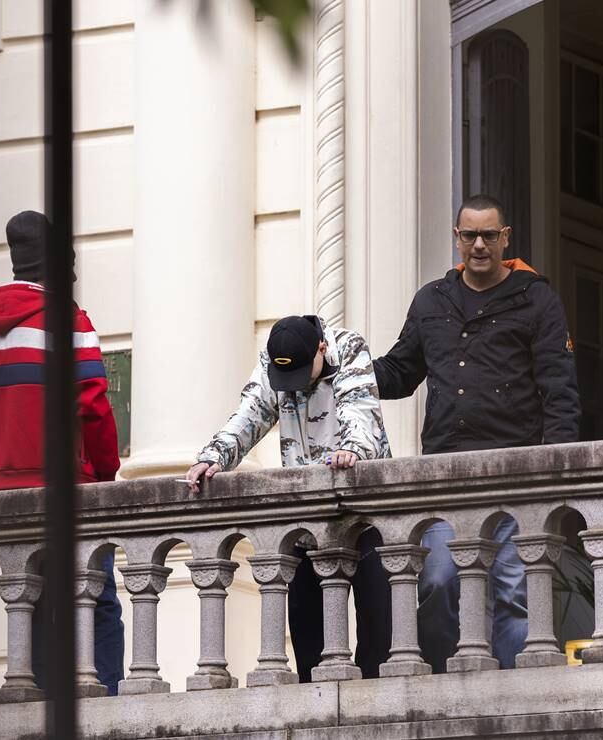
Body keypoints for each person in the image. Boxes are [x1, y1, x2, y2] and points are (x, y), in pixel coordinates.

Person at [372, 193, 581, 672]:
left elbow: (560, 388)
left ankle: (512, 698)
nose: (480, 245)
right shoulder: (431, 301)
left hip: (518, 473)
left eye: (490, 235)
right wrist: (338, 368)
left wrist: (559, 472)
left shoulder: (537, 299)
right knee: (439, 583)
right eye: (470, 235)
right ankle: (451, 689)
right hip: (446, 474)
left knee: (517, 596)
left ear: (506, 238)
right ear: (457, 239)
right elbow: (400, 373)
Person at [0, 210, 125, 694]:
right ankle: (103, 695)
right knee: (98, 597)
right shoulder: (70, 321)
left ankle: (42, 692)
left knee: (32, 599)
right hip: (62, 489)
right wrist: (103, 473)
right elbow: (92, 405)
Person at [185, 314, 392, 681]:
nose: (293, 386)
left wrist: (354, 449)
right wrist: (213, 456)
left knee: (380, 619)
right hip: (305, 518)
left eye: (301, 373)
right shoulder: (273, 359)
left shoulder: (348, 347)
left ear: (321, 349)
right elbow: (250, 413)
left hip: (365, 511)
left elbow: (359, 408)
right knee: (307, 629)